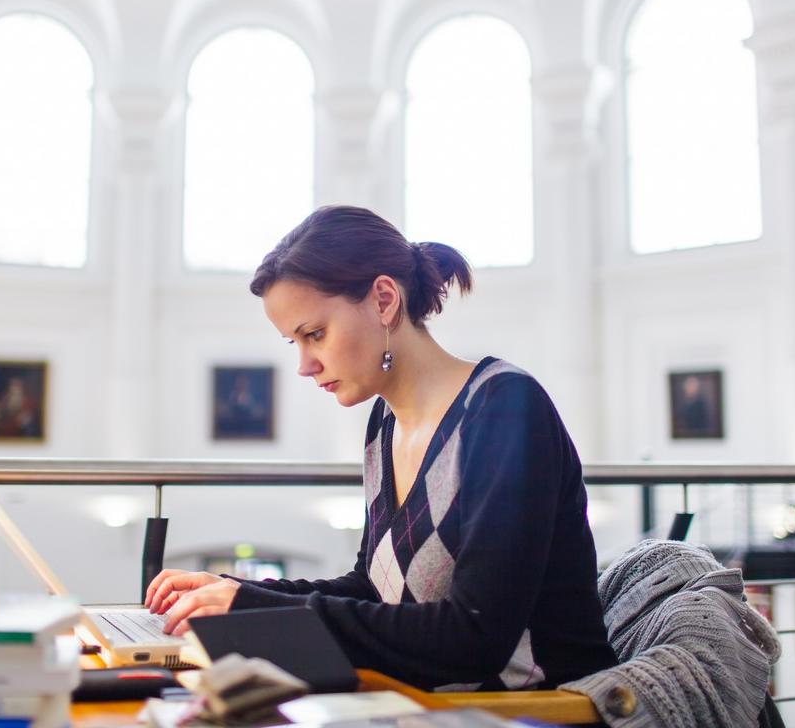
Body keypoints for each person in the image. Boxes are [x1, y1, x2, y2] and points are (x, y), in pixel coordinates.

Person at [144, 205, 617, 690]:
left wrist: (251, 609)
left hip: (543, 709)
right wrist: (231, 593)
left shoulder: (505, 410)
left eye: (315, 334)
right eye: (295, 343)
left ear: (385, 300)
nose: (305, 365)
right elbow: (372, 590)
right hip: (435, 705)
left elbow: (473, 638)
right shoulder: (384, 422)